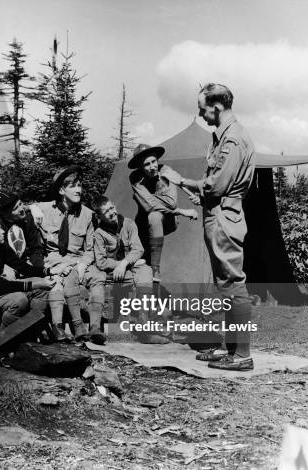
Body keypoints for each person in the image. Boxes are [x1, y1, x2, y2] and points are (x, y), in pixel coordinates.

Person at [165, 83, 255, 371]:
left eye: (202, 109)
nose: (201, 115)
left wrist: (180, 180)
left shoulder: (233, 140)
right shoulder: (225, 137)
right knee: (226, 284)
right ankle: (231, 350)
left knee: (232, 283)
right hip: (219, 213)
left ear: (216, 107)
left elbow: (216, 185)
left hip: (224, 217)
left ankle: (241, 355)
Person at [34, 167, 106, 344]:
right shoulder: (45, 209)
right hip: (55, 260)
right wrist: (33, 208)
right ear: (61, 190)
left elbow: (90, 249)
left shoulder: (88, 214)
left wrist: (82, 265)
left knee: (97, 277)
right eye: (73, 186)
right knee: (58, 279)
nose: (79, 190)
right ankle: (63, 326)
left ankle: (95, 327)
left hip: (78, 260)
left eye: (80, 185)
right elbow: (25, 206)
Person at [92, 195, 169, 344]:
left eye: (112, 208)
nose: (112, 212)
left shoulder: (128, 224)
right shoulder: (99, 234)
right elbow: (101, 262)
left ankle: (144, 325)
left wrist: (124, 263)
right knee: (139, 273)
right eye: (106, 212)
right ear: (99, 216)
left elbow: (138, 249)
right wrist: (120, 265)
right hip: (116, 272)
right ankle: (142, 330)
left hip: (129, 266)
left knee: (146, 271)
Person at [128, 144, 199, 283]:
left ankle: (156, 269)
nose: (152, 167)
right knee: (141, 264)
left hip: (167, 221)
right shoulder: (135, 178)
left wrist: (150, 198)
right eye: (147, 164)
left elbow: (171, 203)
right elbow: (150, 206)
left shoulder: (166, 171)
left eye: (154, 162)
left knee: (154, 216)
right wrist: (183, 212)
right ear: (140, 167)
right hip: (142, 226)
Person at [0, 192, 45, 269]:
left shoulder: (28, 219)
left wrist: (39, 266)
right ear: (5, 214)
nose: (21, 209)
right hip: (7, 266)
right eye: (15, 208)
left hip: (27, 262)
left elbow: (35, 248)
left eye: (20, 204)